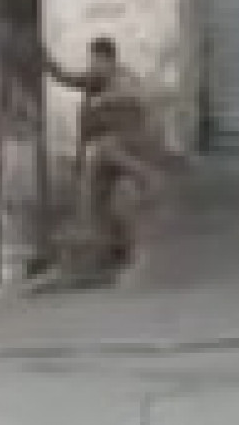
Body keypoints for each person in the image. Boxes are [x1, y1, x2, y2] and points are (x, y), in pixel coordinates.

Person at [46, 36, 161, 272]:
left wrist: (97, 112)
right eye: (92, 60)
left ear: (110, 60)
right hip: (109, 153)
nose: (93, 65)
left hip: (131, 148)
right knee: (94, 196)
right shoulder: (97, 81)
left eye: (97, 60)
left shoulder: (124, 82)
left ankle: (146, 182)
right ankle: (106, 251)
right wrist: (47, 62)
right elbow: (68, 79)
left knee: (115, 173)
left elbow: (127, 116)